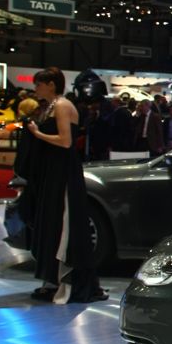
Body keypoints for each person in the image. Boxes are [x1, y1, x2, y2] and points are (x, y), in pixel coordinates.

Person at [24, 67, 105, 304]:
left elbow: (65, 141)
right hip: (52, 173)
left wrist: (37, 134)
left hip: (63, 175)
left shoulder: (62, 106)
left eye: (39, 84)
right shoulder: (51, 106)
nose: (36, 88)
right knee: (51, 224)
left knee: (62, 225)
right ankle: (53, 280)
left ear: (51, 84)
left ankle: (68, 281)